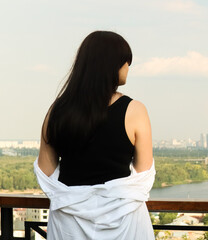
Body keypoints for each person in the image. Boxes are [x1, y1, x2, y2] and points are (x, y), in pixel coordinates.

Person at [35, 31, 156, 240]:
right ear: (112, 64)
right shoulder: (135, 110)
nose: (129, 67)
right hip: (125, 223)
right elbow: (143, 174)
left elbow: (46, 172)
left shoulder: (57, 111)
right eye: (126, 61)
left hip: (68, 224)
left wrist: (73, 198)